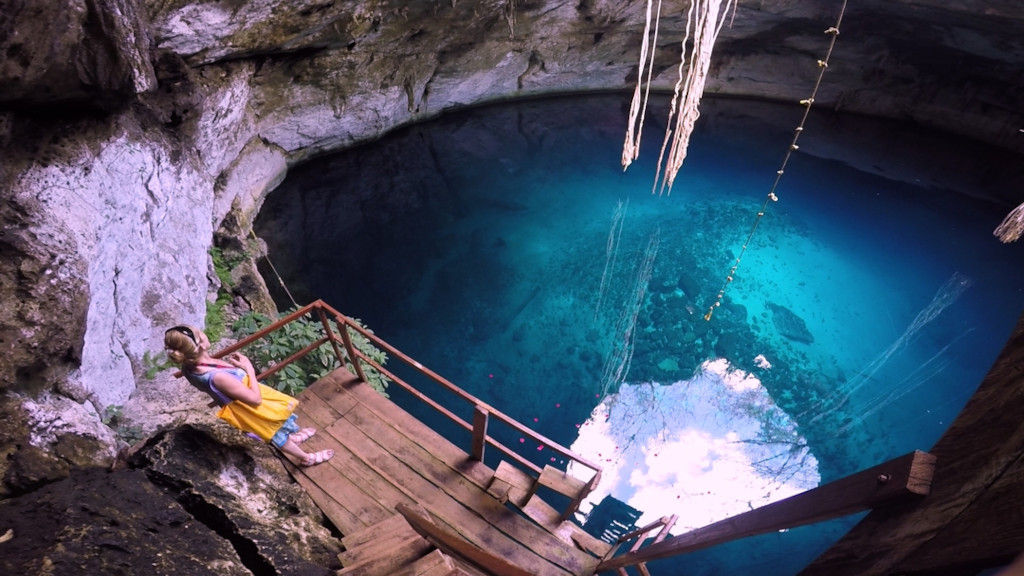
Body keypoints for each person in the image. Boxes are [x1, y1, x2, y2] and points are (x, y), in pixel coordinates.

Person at [164, 324, 334, 467]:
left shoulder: (188, 367)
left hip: (241, 397)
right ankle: (305, 458)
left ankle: (294, 437)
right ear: (201, 345)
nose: (205, 333)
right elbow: (255, 400)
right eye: (201, 334)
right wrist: (249, 369)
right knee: (276, 433)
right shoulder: (217, 377)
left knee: (281, 422)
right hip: (251, 405)